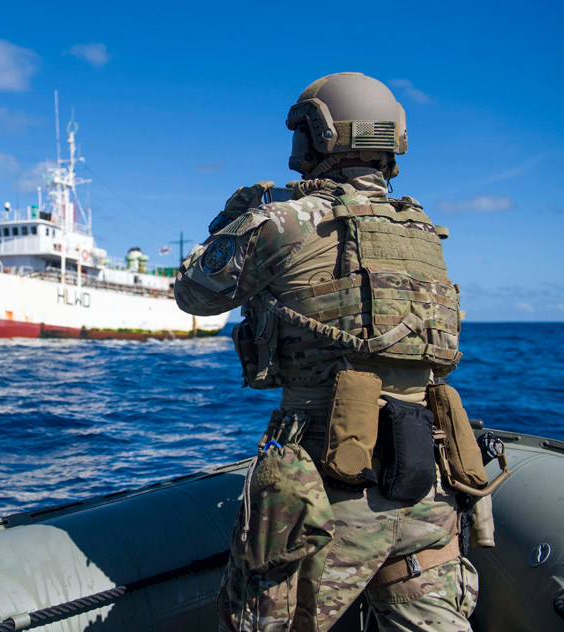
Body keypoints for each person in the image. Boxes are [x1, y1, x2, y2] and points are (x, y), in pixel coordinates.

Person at [175, 72, 477, 631]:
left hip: (326, 477)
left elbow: (192, 292)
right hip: (428, 478)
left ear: (320, 135)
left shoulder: (281, 221)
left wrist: (231, 220)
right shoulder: (424, 233)